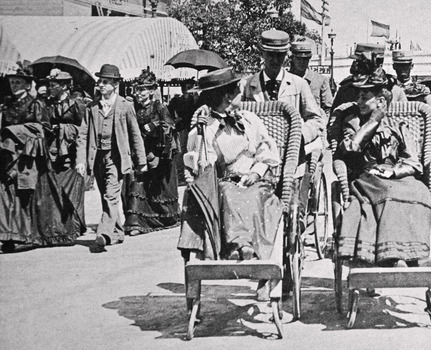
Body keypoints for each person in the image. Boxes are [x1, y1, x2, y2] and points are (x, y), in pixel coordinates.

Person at [179, 68, 283, 260]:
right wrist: (201, 130)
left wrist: (256, 173)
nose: (241, 95)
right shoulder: (206, 127)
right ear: (227, 96)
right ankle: (240, 244)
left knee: (257, 195)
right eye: (237, 91)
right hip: (226, 181)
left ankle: (246, 245)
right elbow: (202, 164)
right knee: (228, 193)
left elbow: (266, 151)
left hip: (256, 180)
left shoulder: (250, 120)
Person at [335, 68, 431, 267]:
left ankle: (413, 252)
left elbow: (414, 161)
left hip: (395, 174)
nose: (359, 102)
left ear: (380, 101)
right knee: (389, 191)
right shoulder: (352, 122)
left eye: (365, 97)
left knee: (419, 191)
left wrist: (394, 171)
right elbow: (351, 148)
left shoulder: (398, 125)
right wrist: (373, 121)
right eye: (358, 97)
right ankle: (391, 255)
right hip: (367, 176)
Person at [76, 64, 147, 250]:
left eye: (105, 82)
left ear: (115, 84)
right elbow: (82, 135)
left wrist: (141, 161)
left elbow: (135, 135)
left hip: (116, 158)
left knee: (111, 195)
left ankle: (104, 233)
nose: (101, 85)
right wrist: (81, 160)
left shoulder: (125, 106)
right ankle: (116, 232)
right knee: (104, 195)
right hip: (97, 157)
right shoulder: (91, 107)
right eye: (100, 81)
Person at [0, 62, 65, 253]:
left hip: (28, 158)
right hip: (7, 156)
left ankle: (25, 235)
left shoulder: (36, 104)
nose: (15, 86)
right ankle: (7, 235)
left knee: (24, 194)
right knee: (5, 194)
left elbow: (44, 130)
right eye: (12, 82)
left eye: (19, 82)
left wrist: (18, 133)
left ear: (28, 84)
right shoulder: (5, 106)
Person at [240, 30, 324, 150]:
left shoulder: (299, 84)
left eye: (279, 55)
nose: (274, 60)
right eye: (270, 54)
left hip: (290, 152)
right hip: (256, 153)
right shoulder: (246, 85)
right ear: (262, 53)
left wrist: (300, 136)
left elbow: (316, 119)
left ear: (286, 56)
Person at [123, 69, 180, 236]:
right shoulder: (133, 107)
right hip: (140, 152)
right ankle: (135, 222)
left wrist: (155, 125)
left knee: (157, 188)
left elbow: (170, 126)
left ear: (151, 91)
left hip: (158, 153)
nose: (138, 93)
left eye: (143, 90)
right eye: (137, 89)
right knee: (138, 183)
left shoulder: (159, 107)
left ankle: (162, 218)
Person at [45, 69, 87, 236]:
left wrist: (64, 130)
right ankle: (59, 225)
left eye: (53, 85)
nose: (50, 88)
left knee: (72, 187)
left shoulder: (77, 104)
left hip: (70, 151)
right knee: (54, 186)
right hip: (53, 150)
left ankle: (75, 225)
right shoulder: (48, 104)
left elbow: (83, 129)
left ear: (63, 86)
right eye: (49, 85)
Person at [332, 43, 407, 110]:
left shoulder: (395, 90)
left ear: (378, 64)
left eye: (361, 62)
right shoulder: (346, 89)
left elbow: (405, 120)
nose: (356, 66)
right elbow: (334, 119)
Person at [289, 39, 334, 118]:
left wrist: (321, 125)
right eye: (299, 59)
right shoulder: (286, 80)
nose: (302, 62)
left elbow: (328, 109)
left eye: (305, 59)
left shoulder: (320, 80)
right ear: (292, 58)